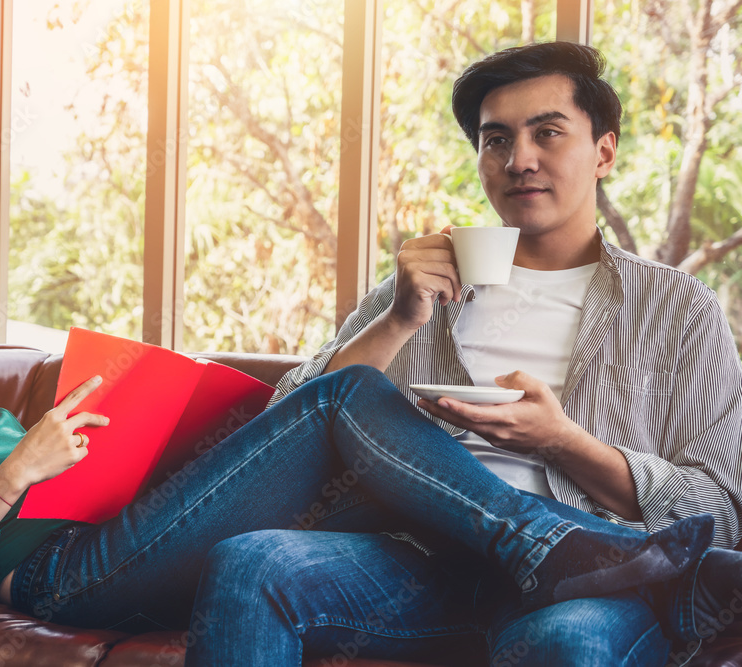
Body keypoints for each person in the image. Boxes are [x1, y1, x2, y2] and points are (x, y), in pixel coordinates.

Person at [0, 242, 715, 641]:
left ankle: (561, 558)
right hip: (62, 578)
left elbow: (93, 490)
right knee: (342, 398)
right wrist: (12, 476)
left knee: (365, 445)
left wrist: (151, 438)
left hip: (124, 537)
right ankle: (567, 550)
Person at [184, 42, 742, 666]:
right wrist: (398, 321)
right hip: (418, 559)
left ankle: (557, 546)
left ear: (604, 151)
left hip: (590, 582)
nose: (519, 160)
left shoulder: (680, 310)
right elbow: (286, 434)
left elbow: (719, 514)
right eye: (496, 139)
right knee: (252, 562)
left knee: (571, 643)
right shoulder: (417, 287)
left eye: (548, 133)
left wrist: (565, 443)